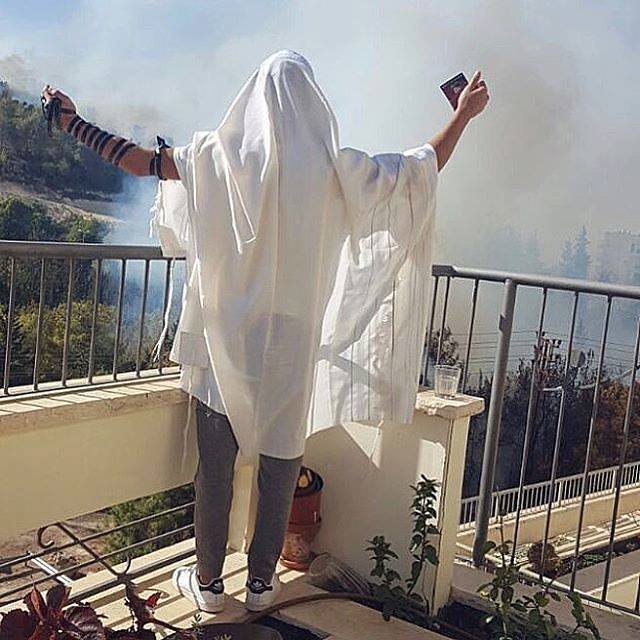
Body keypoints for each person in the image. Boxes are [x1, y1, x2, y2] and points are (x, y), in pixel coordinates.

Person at [42, 50, 488, 614]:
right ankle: (260, 586)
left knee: (215, 472)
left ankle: (208, 585)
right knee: (280, 466)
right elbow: (418, 169)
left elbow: (136, 161)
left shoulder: (216, 158)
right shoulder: (335, 171)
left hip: (225, 340)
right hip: (290, 345)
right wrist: (462, 116)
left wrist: (70, 122)